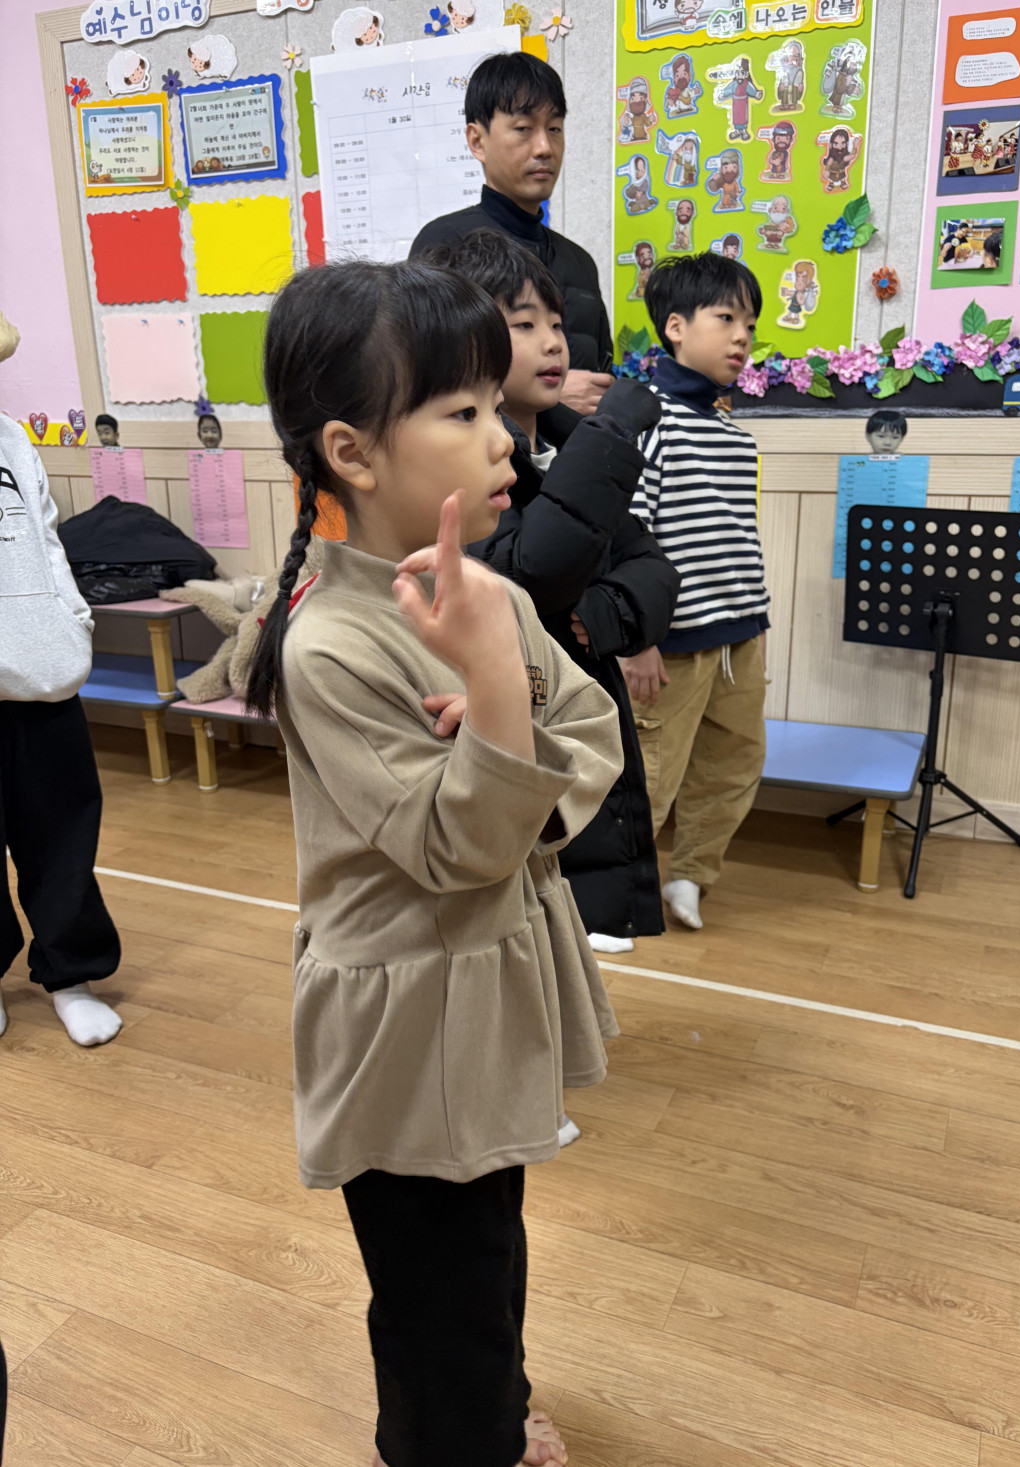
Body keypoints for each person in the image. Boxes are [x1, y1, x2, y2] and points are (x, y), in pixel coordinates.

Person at [245, 258, 623, 1467]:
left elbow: (595, 733)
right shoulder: (329, 643)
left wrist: (504, 713)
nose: (503, 435)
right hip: (408, 1027)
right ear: (352, 453)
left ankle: (491, 1417)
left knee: (486, 1247)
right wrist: (502, 699)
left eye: (494, 405)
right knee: (433, 1297)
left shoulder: (481, 593)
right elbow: (461, 848)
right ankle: (456, 1439)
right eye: (461, 411)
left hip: (486, 985)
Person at [424, 227, 677, 968]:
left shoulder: (563, 447)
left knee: (568, 957)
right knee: (522, 939)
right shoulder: (466, 467)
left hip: (579, 723)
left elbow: (654, 570)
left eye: (558, 323)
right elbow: (533, 573)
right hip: (510, 737)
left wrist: (604, 615)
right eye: (524, 324)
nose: (553, 342)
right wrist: (615, 429)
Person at [621, 253, 770, 934]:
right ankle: (610, 900)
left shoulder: (733, 434)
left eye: (751, 325)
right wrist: (636, 639)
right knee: (649, 775)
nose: (742, 337)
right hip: (670, 644)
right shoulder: (649, 422)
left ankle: (691, 874)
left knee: (732, 763)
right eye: (727, 318)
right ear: (676, 327)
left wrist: (753, 621)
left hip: (740, 634)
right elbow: (626, 536)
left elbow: (736, 537)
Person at [0, 311, 122, 1047]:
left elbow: (43, 539)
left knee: (62, 829)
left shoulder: (12, 437)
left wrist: (72, 620)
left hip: (41, 671)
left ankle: (71, 973)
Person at [412, 53, 613, 417]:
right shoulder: (445, 244)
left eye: (554, 129)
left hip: (579, 454)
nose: (544, 148)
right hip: (490, 453)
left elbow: (601, 377)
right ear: (477, 141)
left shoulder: (580, 263)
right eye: (523, 129)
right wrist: (548, 399)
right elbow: (427, 388)